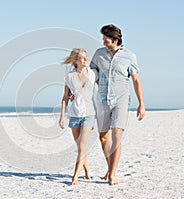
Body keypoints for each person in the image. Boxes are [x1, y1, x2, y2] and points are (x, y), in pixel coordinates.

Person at [90, 24, 146, 185]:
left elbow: (135, 80)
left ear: (115, 40)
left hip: (121, 100)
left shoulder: (129, 56)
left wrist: (142, 104)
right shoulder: (99, 54)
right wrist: (97, 81)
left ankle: (112, 175)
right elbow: (92, 70)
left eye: (106, 40)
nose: (103, 43)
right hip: (102, 100)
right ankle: (110, 167)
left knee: (116, 136)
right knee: (103, 137)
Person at [59, 48, 96, 185]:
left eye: (86, 57)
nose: (86, 59)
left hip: (89, 114)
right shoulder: (69, 77)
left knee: (82, 145)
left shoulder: (93, 74)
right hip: (74, 115)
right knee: (81, 147)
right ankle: (86, 171)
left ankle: (75, 177)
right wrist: (62, 116)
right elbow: (65, 97)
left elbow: (105, 83)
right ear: (75, 61)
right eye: (82, 58)